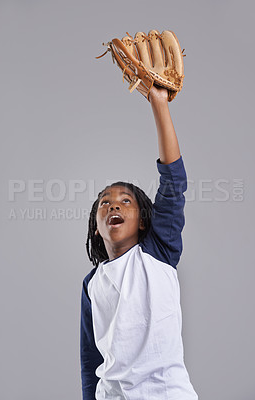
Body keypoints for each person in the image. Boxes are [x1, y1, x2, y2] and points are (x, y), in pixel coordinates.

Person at [80, 85, 198, 399]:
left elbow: (174, 181)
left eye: (125, 202)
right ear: (96, 227)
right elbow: (91, 359)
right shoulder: (92, 283)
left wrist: (159, 103)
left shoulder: (158, 251)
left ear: (144, 220)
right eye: (105, 203)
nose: (114, 206)